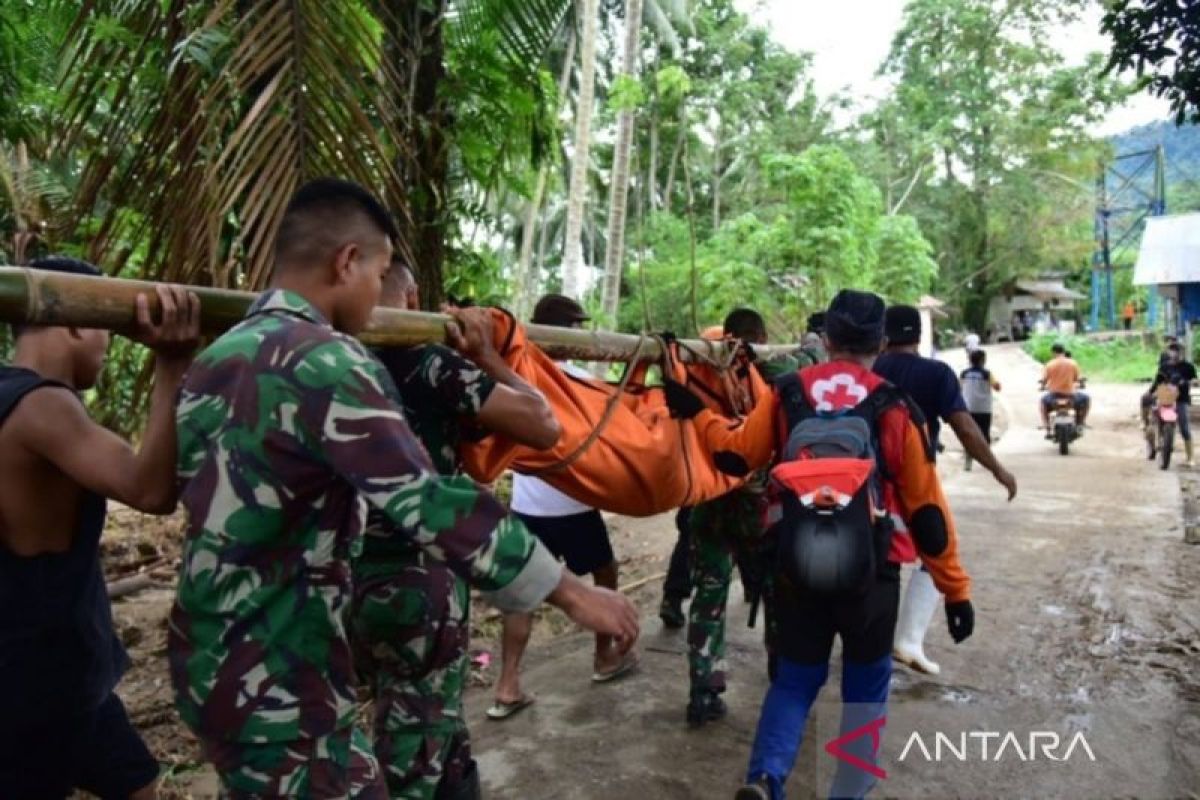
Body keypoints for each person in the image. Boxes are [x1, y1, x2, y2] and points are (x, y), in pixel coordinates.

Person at [168, 179, 639, 797]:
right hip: (281, 681)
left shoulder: (215, 359)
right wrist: (571, 592)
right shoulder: (327, 361)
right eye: (383, 271)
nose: (388, 295)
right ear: (348, 262)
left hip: (212, 665)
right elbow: (429, 501)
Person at [662, 290, 974, 800]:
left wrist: (698, 411)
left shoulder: (786, 394)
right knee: (864, 694)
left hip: (797, 567)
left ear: (826, 338)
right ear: (879, 342)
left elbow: (735, 457)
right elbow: (928, 513)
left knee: (794, 681)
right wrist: (955, 590)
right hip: (872, 577)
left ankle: (765, 778)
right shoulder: (894, 405)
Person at [350, 261, 562, 798]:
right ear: (415, 296)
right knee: (415, 746)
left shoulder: (325, 362)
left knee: (411, 727)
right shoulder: (431, 366)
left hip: (336, 580)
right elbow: (543, 424)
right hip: (418, 582)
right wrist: (486, 356)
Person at [0, 257, 200, 799]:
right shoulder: (43, 404)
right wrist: (172, 362)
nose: (110, 348)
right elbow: (151, 490)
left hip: (60, 674)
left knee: (142, 786)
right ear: (75, 323)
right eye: (108, 332)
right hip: (38, 689)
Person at [490, 293, 637, 720]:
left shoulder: (514, 374)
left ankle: (507, 685)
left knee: (521, 592)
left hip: (525, 506)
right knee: (605, 573)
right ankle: (605, 657)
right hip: (571, 509)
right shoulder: (577, 383)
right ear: (568, 334)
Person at [874, 306, 1012, 677]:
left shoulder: (870, 368)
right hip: (915, 479)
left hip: (865, 482)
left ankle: (868, 640)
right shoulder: (936, 373)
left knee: (871, 554)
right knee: (935, 545)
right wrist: (996, 468)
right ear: (919, 337)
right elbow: (965, 429)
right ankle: (908, 639)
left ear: (884, 337)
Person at [683, 308, 800, 728]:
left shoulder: (699, 369)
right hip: (761, 511)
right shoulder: (780, 372)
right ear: (762, 336)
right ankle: (782, 676)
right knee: (776, 594)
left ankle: (704, 690)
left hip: (713, 504)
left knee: (709, 598)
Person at [1150, 342, 1197, 466]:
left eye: (1177, 350)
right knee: (1156, 418)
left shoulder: (1188, 367)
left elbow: (1194, 380)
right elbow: (1157, 381)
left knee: (1184, 428)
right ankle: (1158, 442)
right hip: (1166, 398)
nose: (1174, 352)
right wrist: (1151, 392)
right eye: (1172, 350)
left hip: (1182, 399)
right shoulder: (1165, 367)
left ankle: (1190, 457)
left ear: (1182, 352)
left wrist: (1187, 382)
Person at [960, 349, 1001, 472]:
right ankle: (987, 461)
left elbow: (958, 387)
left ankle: (968, 459)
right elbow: (997, 387)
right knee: (984, 434)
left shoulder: (964, 373)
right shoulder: (987, 374)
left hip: (968, 408)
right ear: (983, 360)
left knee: (969, 434)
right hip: (984, 408)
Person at [1039, 342, 1089, 433]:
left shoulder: (1049, 364)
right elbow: (1078, 378)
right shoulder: (1072, 363)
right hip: (1071, 396)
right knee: (1086, 399)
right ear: (1064, 351)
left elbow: (1044, 380)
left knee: (1043, 403)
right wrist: (1081, 383)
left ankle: (1046, 425)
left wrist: (1042, 386)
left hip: (1054, 396)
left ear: (1053, 352)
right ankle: (1081, 422)